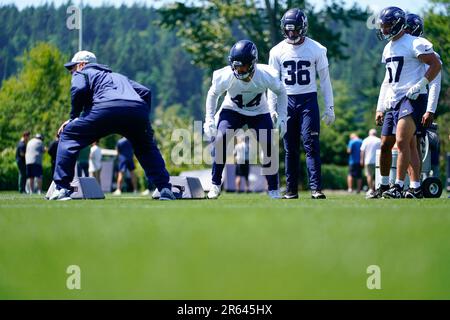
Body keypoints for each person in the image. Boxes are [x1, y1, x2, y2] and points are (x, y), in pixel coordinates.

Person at [49, 50, 175, 200]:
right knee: (146, 147)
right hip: (137, 110)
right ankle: (165, 189)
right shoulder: (119, 76)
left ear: (82, 64)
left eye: (72, 69)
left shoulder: (81, 73)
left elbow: (79, 89)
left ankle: (62, 189)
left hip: (105, 109)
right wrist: (143, 122)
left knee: (68, 135)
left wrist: (73, 118)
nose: (72, 73)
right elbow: (145, 92)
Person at [370, 11, 442, 199]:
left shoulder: (416, 43)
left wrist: (420, 86)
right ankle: (397, 187)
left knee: (404, 142)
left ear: (397, 24)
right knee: (391, 144)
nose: (383, 29)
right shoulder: (388, 47)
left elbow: (436, 65)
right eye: (382, 25)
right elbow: (387, 79)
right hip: (393, 100)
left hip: (412, 98)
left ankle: (399, 186)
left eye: (387, 25)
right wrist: (380, 106)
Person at [203, 40, 288, 199]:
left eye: (242, 66)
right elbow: (213, 94)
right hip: (232, 110)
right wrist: (209, 118)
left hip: (259, 112)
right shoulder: (226, 75)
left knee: (269, 145)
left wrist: (282, 116)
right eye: (235, 66)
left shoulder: (265, 74)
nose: (238, 70)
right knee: (221, 140)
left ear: (252, 64)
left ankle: (273, 189)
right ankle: (215, 185)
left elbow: (281, 92)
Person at [268, 8, 335, 200]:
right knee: (290, 148)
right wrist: (272, 110)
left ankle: (316, 188)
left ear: (303, 28)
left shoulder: (317, 49)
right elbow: (272, 84)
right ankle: (291, 190)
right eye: (288, 30)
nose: (291, 34)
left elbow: (325, 81)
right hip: (285, 101)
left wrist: (330, 106)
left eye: (295, 30)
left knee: (311, 144)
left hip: (308, 100)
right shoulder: (276, 51)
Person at [360, 129, 381, 197]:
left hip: (368, 160)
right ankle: (376, 189)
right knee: (377, 176)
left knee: (369, 175)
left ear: (369, 133)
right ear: (375, 133)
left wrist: (361, 160)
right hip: (378, 160)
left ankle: (371, 189)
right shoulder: (379, 140)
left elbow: (362, 151)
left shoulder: (366, 140)